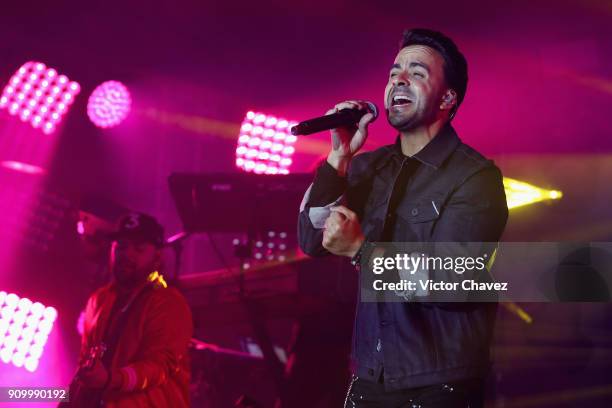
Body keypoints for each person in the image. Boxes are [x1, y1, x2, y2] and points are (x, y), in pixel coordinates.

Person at [298, 28, 508, 407]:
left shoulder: (474, 177)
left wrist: (363, 252)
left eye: (417, 72)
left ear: (448, 97)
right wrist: (338, 159)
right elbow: (311, 239)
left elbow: (455, 280)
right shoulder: (367, 168)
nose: (399, 79)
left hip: (440, 385)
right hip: (370, 378)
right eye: (395, 71)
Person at [67, 212, 193, 407]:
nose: (127, 254)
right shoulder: (98, 300)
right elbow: (85, 367)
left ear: (157, 256)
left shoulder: (168, 302)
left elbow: (159, 367)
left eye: (139, 248)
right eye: (121, 247)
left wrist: (111, 379)